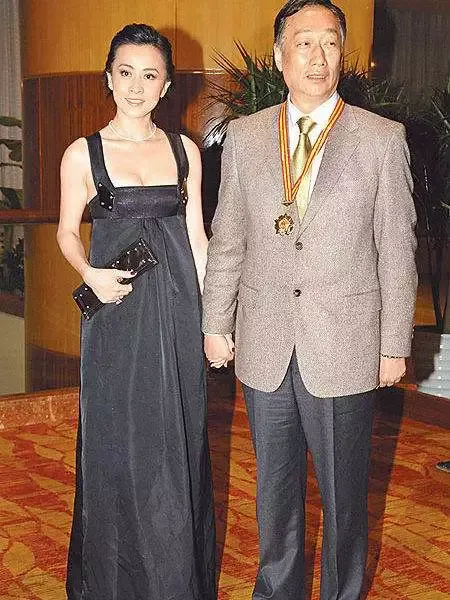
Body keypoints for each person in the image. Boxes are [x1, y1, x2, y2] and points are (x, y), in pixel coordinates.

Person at [202, 1, 417, 599]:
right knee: (274, 496)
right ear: (279, 56)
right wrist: (216, 321)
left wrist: (393, 344)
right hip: (266, 342)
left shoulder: (381, 140)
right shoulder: (246, 137)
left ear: (342, 55)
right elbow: (229, 235)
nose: (317, 57)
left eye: (330, 43)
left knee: (345, 499)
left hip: (346, 344)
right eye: (304, 43)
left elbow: (396, 249)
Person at [57, 23, 216, 600]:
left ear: (166, 85)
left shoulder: (184, 151)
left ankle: (175, 581)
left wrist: (214, 320)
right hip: (117, 314)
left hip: (178, 311)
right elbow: (66, 232)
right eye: (126, 73)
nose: (136, 86)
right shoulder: (84, 153)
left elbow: (197, 239)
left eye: (150, 76)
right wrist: (88, 272)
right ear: (108, 78)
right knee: (118, 441)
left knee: (178, 438)